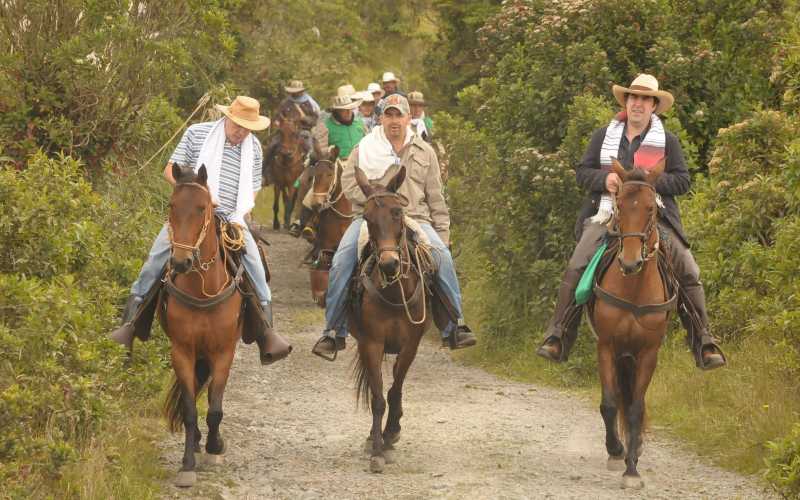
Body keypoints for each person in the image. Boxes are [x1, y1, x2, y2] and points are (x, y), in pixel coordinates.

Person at [535, 74, 726, 371]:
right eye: (633, 97)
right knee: (577, 264)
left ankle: (704, 341)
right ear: (626, 102)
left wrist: (648, 184)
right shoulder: (603, 136)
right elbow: (582, 172)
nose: (638, 103)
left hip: (653, 217)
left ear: (654, 106)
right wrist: (605, 179)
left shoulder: (668, 142)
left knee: (688, 270)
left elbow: (682, 181)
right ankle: (558, 335)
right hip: (608, 214)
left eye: (645, 99)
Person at [110, 96, 289, 364]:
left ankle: (266, 332)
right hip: (191, 215)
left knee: (256, 267)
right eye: (238, 126)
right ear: (228, 118)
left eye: (247, 128)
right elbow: (169, 170)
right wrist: (198, 196)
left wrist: (243, 211)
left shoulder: (254, 147)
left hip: (232, 218)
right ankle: (130, 326)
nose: (241, 132)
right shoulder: (197, 133)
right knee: (156, 259)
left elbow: (253, 188)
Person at [311, 94, 476, 357]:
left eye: (399, 115)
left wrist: (443, 233)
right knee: (342, 261)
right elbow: (349, 186)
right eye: (389, 114)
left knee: (441, 256)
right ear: (381, 118)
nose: (394, 120)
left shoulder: (425, 151)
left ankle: (454, 326)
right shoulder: (364, 148)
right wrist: (377, 202)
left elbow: (436, 196)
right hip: (372, 218)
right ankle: (333, 331)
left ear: (408, 118)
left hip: (416, 218)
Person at [294, 92, 366, 240]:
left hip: (360, 163)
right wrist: (331, 153)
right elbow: (320, 150)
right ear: (336, 111)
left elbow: (368, 142)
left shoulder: (360, 124)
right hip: (334, 163)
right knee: (314, 189)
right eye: (343, 110)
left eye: (349, 109)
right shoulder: (325, 125)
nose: (347, 112)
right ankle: (304, 222)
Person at [263, 80, 320, 185]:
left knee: (312, 152)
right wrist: (277, 122)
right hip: (285, 131)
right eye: (293, 92)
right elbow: (277, 116)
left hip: (303, 131)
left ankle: (312, 176)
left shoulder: (309, 103)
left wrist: (305, 119)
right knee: (271, 147)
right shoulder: (285, 103)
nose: (294, 94)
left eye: (297, 92)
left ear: (301, 91)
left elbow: (316, 119)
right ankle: (266, 175)